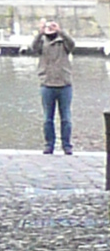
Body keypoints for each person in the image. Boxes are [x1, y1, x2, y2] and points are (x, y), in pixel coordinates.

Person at [34, 17, 76, 157]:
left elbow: (72, 44)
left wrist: (61, 31)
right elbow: (33, 48)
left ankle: (67, 145)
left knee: (66, 118)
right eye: (48, 27)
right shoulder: (42, 42)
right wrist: (40, 32)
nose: (50, 29)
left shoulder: (63, 42)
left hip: (64, 84)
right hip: (47, 84)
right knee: (47, 118)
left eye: (52, 27)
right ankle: (48, 145)